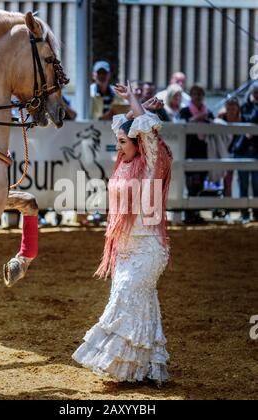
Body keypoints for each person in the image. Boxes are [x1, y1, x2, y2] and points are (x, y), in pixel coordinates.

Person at [72, 82, 173, 386]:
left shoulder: (150, 164)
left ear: (137, 144)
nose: (118, 147)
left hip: (149, 248)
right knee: (140, 305)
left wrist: (133, 100)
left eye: (122, 142)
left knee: (126, 298)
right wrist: (133, 108)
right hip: (125, 249)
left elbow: (148, 134)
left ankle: (120, 366)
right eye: (117, 141)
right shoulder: (123, 166)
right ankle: (141, 368)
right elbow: (134, 127)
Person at [179, 84, 214, 224]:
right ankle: (189, 214)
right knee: (191, 184)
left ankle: (196, 212)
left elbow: (214, 125)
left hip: (204, 152)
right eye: (195, 94)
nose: (197, 97)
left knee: (200, 185)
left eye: (200, 94)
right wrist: (197, 118)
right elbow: (180, 125)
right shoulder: (185, 111)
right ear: (191, 95)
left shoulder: (208, 112)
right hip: (189, 150)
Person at [234, 82, 258, 223]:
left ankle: (255, 212)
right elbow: (248, 120)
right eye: (255, 93)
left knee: (256, 184)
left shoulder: (250, 107)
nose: (256, 96)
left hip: (256, 149)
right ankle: (244, 213)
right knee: (242, 182)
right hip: (243, 148)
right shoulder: (243, 107)